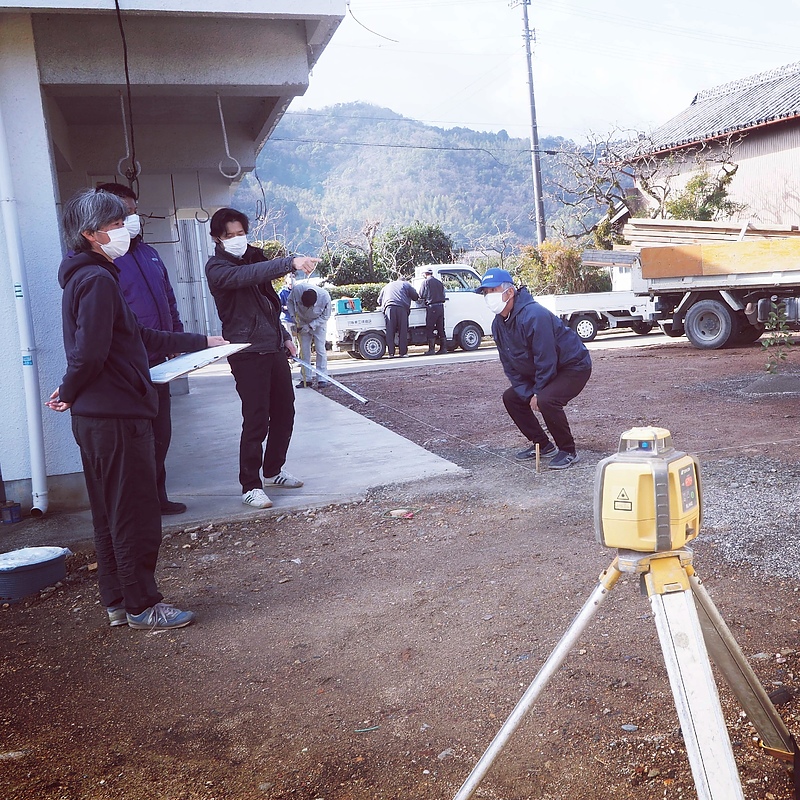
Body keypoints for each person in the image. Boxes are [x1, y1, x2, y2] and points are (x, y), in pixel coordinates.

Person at [47, 188, 228, 631]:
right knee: (134, 513)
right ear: (90, 234)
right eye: (114, 224)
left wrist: (202, 342)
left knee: (110, 513)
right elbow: (90, 353)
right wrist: (69, 388)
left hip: (98, 417)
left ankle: (118, 601)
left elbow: (138, 337)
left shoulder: (86, 277)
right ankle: (142, 605)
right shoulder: (97, 281)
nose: (125, 229)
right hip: (117, 418)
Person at [204, 207, 319, 509]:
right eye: (231, 235)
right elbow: (247, 276)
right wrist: (289, 262)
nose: (238, 239)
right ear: (218, 238)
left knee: (285, 412)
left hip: (272, 348)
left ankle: (274, 470)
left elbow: (268, 302)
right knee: (256, 419)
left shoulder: (255, 257)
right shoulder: (218, 269)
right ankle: (250, 485)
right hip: (245, 353)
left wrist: (282, 336)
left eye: (242, 233)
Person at [97, 182, 187, 516]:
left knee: (160, 432)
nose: (131, 219)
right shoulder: (101, 263)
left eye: (134, 211)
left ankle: (157, 496)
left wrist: (177, 336)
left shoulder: (148, 253)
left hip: (160, 362)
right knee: (135, 437)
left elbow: (168, 298)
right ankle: (137, 504)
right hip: (129, 366)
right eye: (124, 213)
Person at [476, 268, 592, 470]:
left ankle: (568, 450)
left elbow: (545, 357)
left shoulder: (534, 315)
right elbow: (509, 363)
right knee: (511, 397)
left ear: (509, 292)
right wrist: (526, 392)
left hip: (573, 366)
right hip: (546, 369)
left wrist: (538, 392)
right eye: (485, 293)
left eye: (492, 290)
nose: (488, 297)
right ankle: (543, 445)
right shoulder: (498, 324)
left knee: (547, 399)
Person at [288, 285, 332, 389]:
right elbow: (289, 302)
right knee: (304, 350)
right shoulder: (296, 290)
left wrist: (311, 325)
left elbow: (326, 316)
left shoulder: (325, 296)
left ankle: (322, 378)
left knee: (320, 349)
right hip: (302, 321)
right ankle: (305, 379)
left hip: (319, 323)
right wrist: (293, 317)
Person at [377, 276, 419, 358]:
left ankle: (391, 353)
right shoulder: (406, 284)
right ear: (404, 280)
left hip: (389, 308)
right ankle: (403, 353)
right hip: (401, 308)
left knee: (390, 330)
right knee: (403, 330)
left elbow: (379, 301)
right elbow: (415, 297)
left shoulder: (387, 286)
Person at [418, 267, 448, 355]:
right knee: (441, 327)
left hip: (432, 307)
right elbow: (443, 294)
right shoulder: (439, 282)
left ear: (425, 274)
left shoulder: (425, 282)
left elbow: (421, 294)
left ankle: (431, 350)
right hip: (441, 306)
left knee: (430, 328)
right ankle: (443, 348)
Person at [278, 273, 296, 339]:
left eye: (293, 276)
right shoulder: (282, 292)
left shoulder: (297, 291)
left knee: (299, 341)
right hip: (287, 320)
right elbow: (278, 306)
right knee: (290, 340)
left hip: (296, 321)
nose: (291, 278)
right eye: (290, 276)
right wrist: (285, 307)